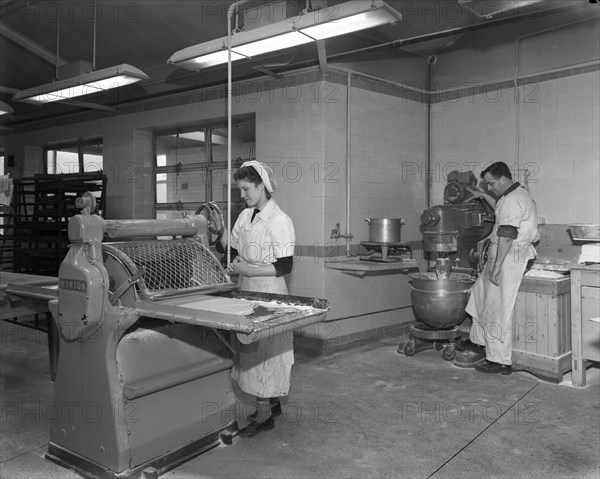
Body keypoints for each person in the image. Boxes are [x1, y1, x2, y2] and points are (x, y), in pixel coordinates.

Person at [216, 160, 295, 436]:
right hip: (247, 290)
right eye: (240, 190)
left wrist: (247, 268)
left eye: (247, 189)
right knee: (250, 352)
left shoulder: (280, 220)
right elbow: (232, 247)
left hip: (269, 293)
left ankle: (264, 416)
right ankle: (271, 404)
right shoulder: (245, 216)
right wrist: (219, 231)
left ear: (262, 185)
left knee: (266, 353)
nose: (243, 195)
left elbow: (285, 265)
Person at [463, 162, 539, 375]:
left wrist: (497, 266)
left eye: (491, 183)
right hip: (503, 253)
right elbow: (499, 205)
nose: (489, 188)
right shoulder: (512, 195)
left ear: (504, 178)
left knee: (497, 308)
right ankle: (479, 341)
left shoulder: (513, 199)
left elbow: (506, 234)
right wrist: (481, 195)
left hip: (509, 256)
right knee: (478, 295)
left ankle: (499, 360)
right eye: (486, 185)